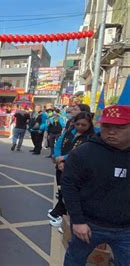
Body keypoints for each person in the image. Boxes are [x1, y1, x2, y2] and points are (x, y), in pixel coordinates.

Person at [62, 105, 130, 266]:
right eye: (106, 126)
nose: (111, 132)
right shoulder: (83, 153)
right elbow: (69, 186)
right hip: (88, 225)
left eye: (120, 127)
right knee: (74, 260)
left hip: (126, 230)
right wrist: (78, 221)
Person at [48, 112, 95, 228]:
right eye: (77, 124)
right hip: (60, 166)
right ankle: (60, 214)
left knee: (69, 194)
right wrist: (58, 159)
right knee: (61, 190)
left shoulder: (91, 137)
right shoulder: (68, 132)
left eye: (83, 125)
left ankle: (62, 217)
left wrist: (63, 159)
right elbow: (58, 145)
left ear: (90, 125)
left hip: (75, 169)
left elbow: (81, 152)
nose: (80, 127)